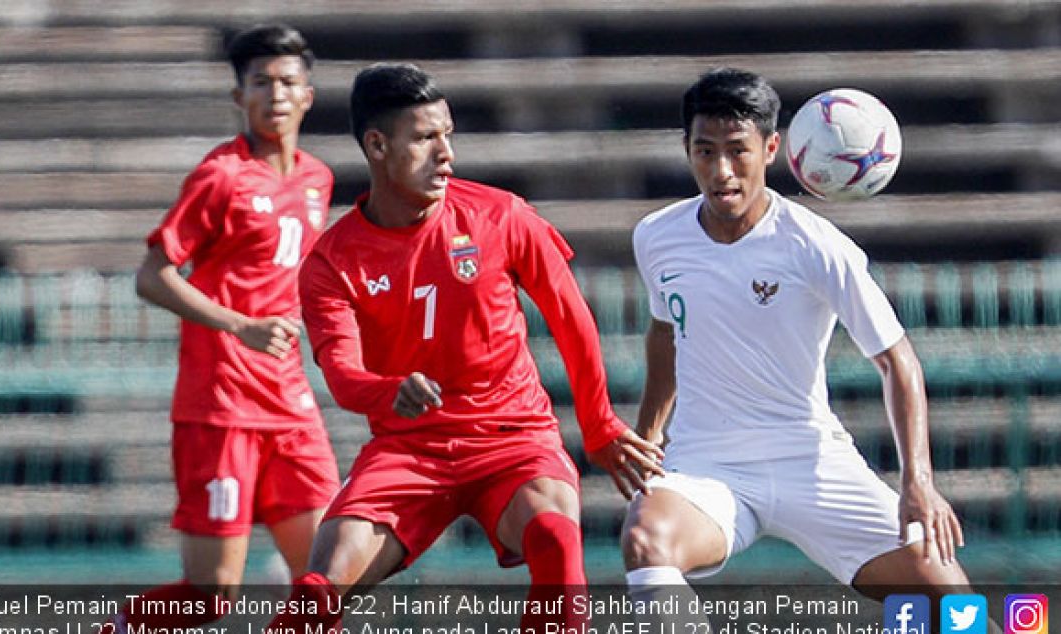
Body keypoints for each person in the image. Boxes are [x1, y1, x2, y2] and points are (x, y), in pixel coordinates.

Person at [266, 62, 664, 631]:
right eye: (426, 137)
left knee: (555, 537)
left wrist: (598, 425)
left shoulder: (499, 214)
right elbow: (343, 373)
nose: (446, 153)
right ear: (377, 145)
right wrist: (389, 390)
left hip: (513, 438)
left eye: (448, 134)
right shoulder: (334, 260)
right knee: (317, 588)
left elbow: (572, 317)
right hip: (408, 453)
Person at [622, 68, 971, 609]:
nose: (721, 171)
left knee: (949, 605)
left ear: (772, 148)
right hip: (707, 464)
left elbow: (897, 360)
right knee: (647, 542)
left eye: (738, 151)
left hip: (810, 459)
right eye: (704, 151)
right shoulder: (657, 237)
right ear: (686, 148)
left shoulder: (815, 245)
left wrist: (917, 481)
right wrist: (648, 436)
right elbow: (666, 331)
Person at [104, 24, 340, 632]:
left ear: (308, 95)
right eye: (260, 82)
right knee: (211, 598)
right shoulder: (221, 177)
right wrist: (242, 326)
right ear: (239, 97)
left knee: (329, 580)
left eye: (288, 81)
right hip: (222, 407)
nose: (276, 94)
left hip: (290, 406)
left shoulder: (318, 179)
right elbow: (153, 277)